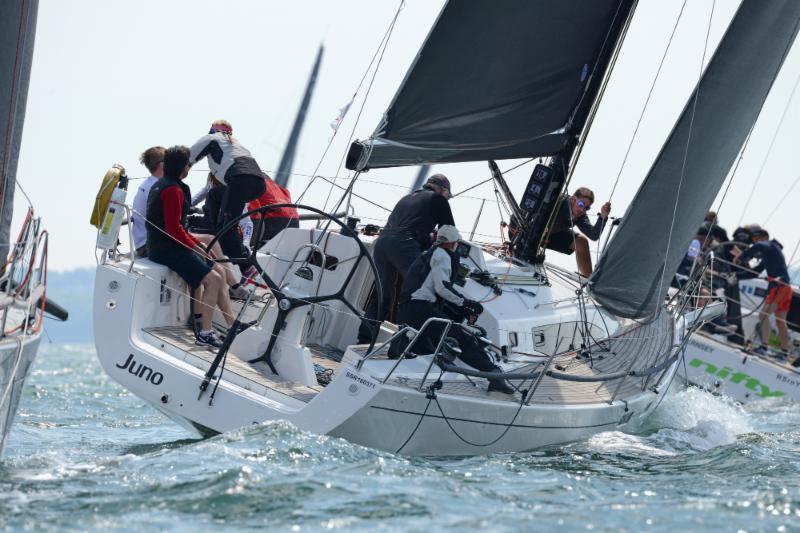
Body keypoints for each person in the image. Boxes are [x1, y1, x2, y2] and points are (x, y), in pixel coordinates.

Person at [395, 225, 513, 394]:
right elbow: (442, 287)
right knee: (460, 337)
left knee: (431, 344)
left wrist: (463, 307)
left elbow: (432, 288)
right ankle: (494, 376)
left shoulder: (428, 253)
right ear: (452, 244)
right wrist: (467, 304)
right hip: (419, 308)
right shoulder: (442, 256)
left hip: (408, 309)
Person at [146, 145, 234, 348]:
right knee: (213, 280)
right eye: (188, 165)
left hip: (168, 246)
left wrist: (197, 245)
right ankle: (205, 333)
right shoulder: (172, 190)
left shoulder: (164, 184)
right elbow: (173, 228)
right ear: (182, 167)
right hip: (166, 250)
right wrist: (197, 247)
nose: (189, 169)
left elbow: (175, 228)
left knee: (219, 271)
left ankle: (232, 325)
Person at [357, 174, 455, 343]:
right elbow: (450, 233)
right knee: (417, 295)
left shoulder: (407, 197)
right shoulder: (439, 200)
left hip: (382, 243)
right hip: (404, 244)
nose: (448, 198)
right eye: (448, 195)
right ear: (441, 190)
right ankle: (402, 347)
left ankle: (363, 340)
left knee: (382, 295)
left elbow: (412, 224)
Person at [189, 120, 266, 276]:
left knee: (226, 228)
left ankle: (246, 267)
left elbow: (186, 159)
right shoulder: (235, 145)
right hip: (257, 183)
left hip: (239, 180)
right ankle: (197, 224)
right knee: (214, 196)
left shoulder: (211, 138)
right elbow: (207, 190)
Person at [733, 226, 792, 355]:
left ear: (764, 237)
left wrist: (741, 257)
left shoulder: (769, 245)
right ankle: (784, 353)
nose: (755, 242)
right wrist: (737, 276)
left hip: (779, 286)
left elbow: (759, 246)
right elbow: (755, 272)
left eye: (756, 239)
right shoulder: (769, 253)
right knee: (780, 321)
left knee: (763, 315)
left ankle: (763, 348)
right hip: (785, 288)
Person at [545, 187, 610, 277]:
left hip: (552, 236)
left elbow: (593, 235)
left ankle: (587, 281)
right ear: (572, 199)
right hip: (532, 231)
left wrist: (603, 217)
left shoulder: (581, 215)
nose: (583, 210)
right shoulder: (557, 200)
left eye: (587, 208)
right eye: (581, 204)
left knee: (581, 241)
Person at [248, 173, 299, 249]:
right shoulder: (278, 187)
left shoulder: (252, 183)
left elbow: (253, 212)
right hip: (294, 222)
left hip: (274, 221)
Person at [131, 146, 165, 257]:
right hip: (150, 245)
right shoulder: (156, 187)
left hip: (143, 243)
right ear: (161, 164)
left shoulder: (148, 183)